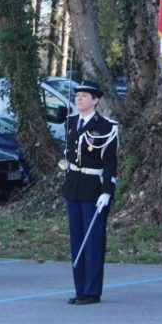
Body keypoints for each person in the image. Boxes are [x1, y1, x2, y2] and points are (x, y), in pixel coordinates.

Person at [60, 80, 118, 305]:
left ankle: (92, 291)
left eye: (85, 96)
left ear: (95, 100)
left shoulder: (106, 126)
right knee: (77, 240)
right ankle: (80, 289)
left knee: (92, 241)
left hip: (94, 188)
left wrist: (107, 191)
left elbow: (111, 163)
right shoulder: (70, 122)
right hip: (73, 185)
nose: (79, 98)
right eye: (78, 95)